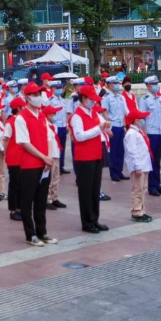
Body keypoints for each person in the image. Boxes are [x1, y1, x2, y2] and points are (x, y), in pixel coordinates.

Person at [15, 83, 57, 247]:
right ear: (27, 97)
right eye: (35, 94)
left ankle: (42, 231)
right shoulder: (21, 117)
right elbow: (25, 143)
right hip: (30, 165)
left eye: (40, 93)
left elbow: (49, 137)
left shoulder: (41, 116)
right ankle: (30, 234)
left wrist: (49, 157)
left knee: (41, 200)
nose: (38, 97)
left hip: (43, 164)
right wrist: (43, 157)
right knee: (27, 201)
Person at [69, 85, 108, 234]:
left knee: (94, 189)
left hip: (96, 154)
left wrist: (105, 126)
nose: (93, 102)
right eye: (91, 99)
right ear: (84, 99)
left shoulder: (92, 112)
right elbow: (79, 136)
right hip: (84, 157)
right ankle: (87, 222)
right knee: (85, 191)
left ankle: (94, 219)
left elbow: (101, 124)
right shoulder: (77, 116)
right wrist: (99, 128)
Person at [139, 76, 161, 197]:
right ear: (148, 85)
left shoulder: (158, 98)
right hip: (150, 133)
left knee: (157, 160)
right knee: (151, 161)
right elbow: (142, 118)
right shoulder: (145, 99)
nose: (156, 86)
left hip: (158, 132)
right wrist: (145, 134)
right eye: (153, 84)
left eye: (157, 83)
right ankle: (152, 186)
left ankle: (157, 184)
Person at [124, 108, 153, 222]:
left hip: (144, 165)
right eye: (142, 118)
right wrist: (137, 167)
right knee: (137, 189)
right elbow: (132, 152)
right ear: (136, 120)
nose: (144, 120)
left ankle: (141, 210)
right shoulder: (131, 134)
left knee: (143, 189)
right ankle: (136, 212)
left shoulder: (138, 132)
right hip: (138, 166)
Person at [102, 77, 129, 182]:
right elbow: (105, 113)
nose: (117, 85)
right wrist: (108, 128)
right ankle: (113, 173)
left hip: (120, 126)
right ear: (109, 85)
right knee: (113, 151)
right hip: (112, 126)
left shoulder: (121, 97)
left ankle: (119, 171)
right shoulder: (106, 97)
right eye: (115, 83)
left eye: (118, 83)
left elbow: (124, 112)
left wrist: (124, 126)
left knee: (120, 150)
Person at [3, 97, 26, 221]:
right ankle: (13, 210)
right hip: (14, 157)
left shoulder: (22, 120)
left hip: (22, 157)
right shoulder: (10, 122)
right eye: (23, 106)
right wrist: (6, 156)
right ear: (18, 108)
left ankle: (20, 207)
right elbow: (6, 140)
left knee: (22, 184)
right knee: (14, 184)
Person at [48, 80, 70, 174]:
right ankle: (56, 167)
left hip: (63, 126)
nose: (59, 90)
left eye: (60, 88)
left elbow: (65, 114)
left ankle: (61, 166)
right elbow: (48, 115)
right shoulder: (50, 101)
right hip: (55, 127)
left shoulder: (63, 100)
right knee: (55, 147)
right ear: (52, 89)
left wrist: (67, 125)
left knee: (63, 147)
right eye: (57, 88)